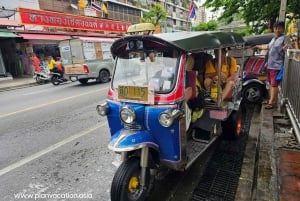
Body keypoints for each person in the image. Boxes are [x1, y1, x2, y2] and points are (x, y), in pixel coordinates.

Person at [255, 21, 292, 109]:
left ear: (283, 29)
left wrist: (287, 48)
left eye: (279, 28)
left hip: (277, 65)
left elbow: (290, 47)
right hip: (270, 65)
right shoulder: (274, 38)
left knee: (274, 84)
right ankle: (271, 100)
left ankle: (271, 103)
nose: (277, 30)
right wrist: (257, 46)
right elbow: (267, 47)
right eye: (276, 28)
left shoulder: (285, 37)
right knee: (271, 84)